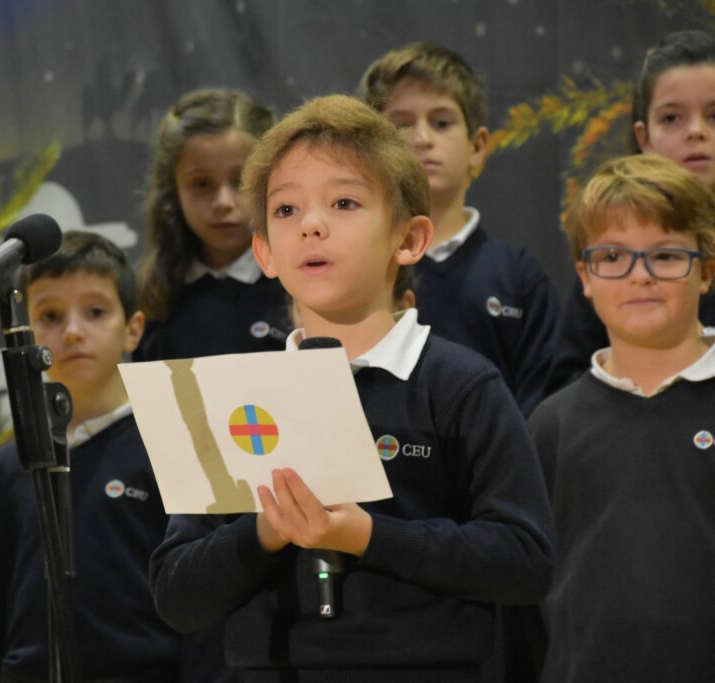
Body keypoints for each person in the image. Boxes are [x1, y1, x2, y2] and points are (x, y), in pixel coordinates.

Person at [149, 95, 554, 681]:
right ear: (264, 250)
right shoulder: (229, 395)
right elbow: (177, 596)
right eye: (286, 210)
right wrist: (267, 529)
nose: (311, 224)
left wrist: (367, 535)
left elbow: (525, 561)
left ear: (410, 238)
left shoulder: (460, 385)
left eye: (343, 202)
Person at [0, 231, 201, 682]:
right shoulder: (6, 470)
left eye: (95, 312)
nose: (72, 331)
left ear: (133, 329)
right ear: (25, 333)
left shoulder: (171, 447)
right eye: (50, 315)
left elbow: (205, 609)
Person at [531, 153, 715, 681]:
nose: (640, 276)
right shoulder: (552, 426)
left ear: (706, 272)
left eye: (665, 255)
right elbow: (526, 598)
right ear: (585, 276)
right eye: (613, 256)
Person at [357, 42, 560, 418]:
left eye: (442, 122)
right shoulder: (353, 266)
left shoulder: (518, 276)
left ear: (478, 147)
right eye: (401, 124)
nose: (422, 139)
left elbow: (540, 403)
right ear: (372, 148)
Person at [547, 29, 715, 393]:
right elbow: (568, 387)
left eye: (714, 116)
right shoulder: (613, 251)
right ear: (644, 138)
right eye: (672, 118)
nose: (697, 132)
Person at [134, 88, 290, 362]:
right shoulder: (153, 301)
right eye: (201, 184)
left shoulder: (300, 285)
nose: (223, 202)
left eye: (240, 179)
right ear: (173, 190)